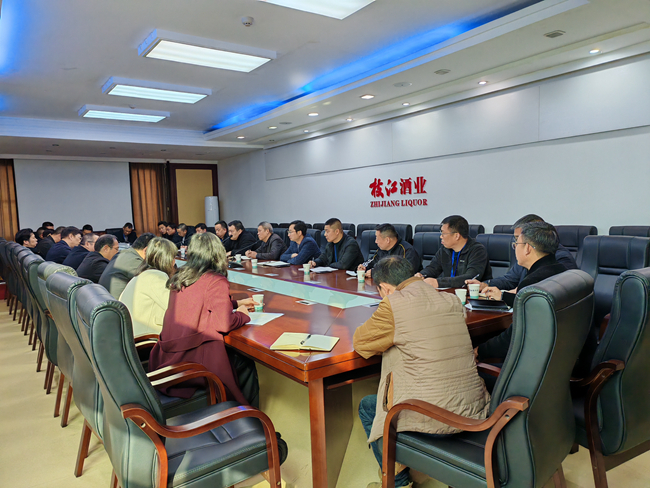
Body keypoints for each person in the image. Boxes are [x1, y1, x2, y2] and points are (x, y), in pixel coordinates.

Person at [354, 256, 490, 488]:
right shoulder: (450, 299)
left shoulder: (393, 304)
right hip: (475, 409)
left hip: (433, 417)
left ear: (385, 288)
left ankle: (398, 481)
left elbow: (361, 343)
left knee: (368, 407)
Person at [148, 232, 260, 406]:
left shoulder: (181, 276)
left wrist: (235, 303)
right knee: (245, 362)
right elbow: (224, 324)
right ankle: (246, 415)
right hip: (192, 360)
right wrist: (242, 314)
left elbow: (197, 304)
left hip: (167, 357)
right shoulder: (215, 280)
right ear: (217, 253)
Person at [476, 222, 568, 363]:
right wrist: (504, 296)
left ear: (527, 248)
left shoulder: (533, 283)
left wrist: (479, 351)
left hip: (536, 363)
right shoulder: (561, 270)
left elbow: (516, 335)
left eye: (516, 244)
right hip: (561, 357)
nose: (515, 249)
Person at [464, 214, 578, 292]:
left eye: (518, 240)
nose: (515, 245)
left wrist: (514, 294)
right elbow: (509, 280)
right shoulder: (528, 260)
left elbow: (558, 291)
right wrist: (485, 285)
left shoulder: (560, 261)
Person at [119, 237, 177, 337]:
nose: (174, 262)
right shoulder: (155, 277)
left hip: (132, 336)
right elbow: (175, 306)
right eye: (173, 257)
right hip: (146, 340)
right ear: (168, 259)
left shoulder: (141, 275)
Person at [418, 215, 491, 288]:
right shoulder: (445, 249)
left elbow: (470, 277)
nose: (441, 236)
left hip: (472, 293)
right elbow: (433, 268)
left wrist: (439, 283)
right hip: (449, 292)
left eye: (443, 233)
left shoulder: (477, 251)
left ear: (457, 236)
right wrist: (422, 275)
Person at [99, 233, 155, 298]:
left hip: (107, 300)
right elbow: (153, 281)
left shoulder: (124, 254)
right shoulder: (134, 260)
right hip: (117, 302)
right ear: (146, 250)